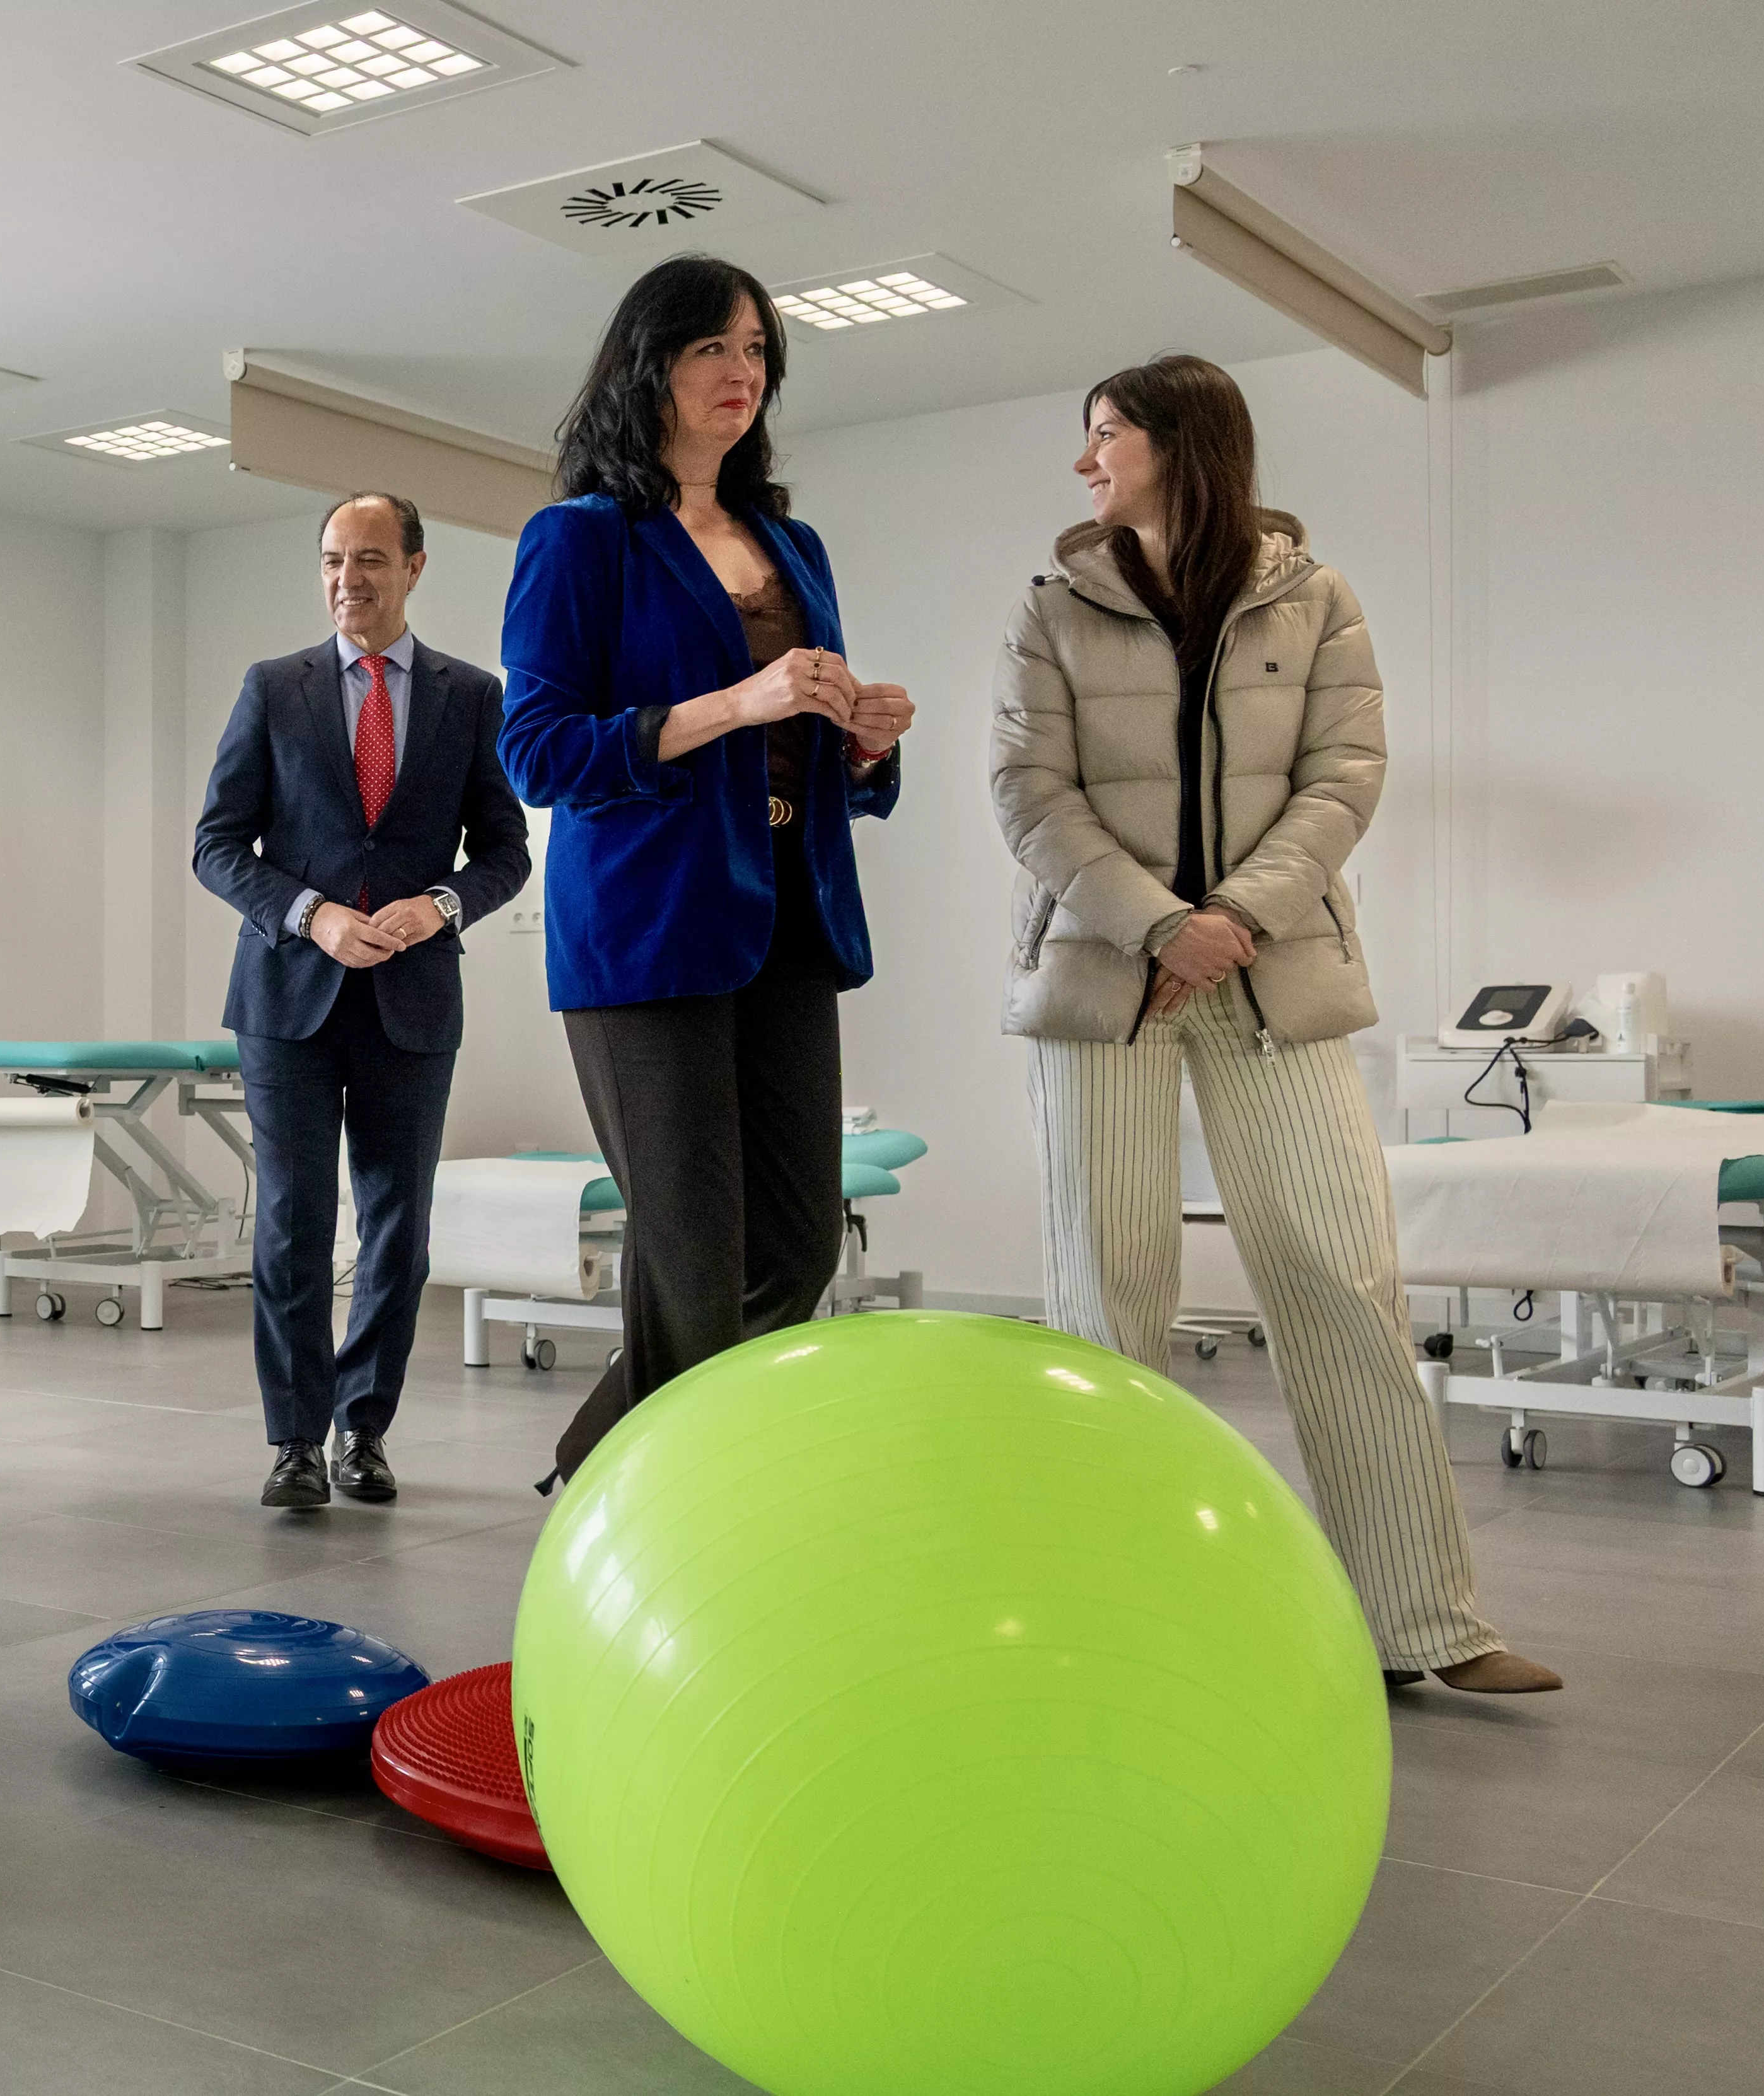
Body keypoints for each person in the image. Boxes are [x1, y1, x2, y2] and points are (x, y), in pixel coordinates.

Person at [992, 352, 1559, 1694]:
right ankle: (1104, 1615)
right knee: (1107, 1306)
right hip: (1100, 981)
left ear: (1184, 444)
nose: (1087, 462)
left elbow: (1344, 773)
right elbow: (1029, 792)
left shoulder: (1315, 598)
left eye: (1109, 434)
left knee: (1345, 1281)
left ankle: (1428, 1623)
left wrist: (1233, 919)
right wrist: (1156, 926)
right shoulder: (1049, 608)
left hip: (1273, 973)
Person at [499, 254, 915, 1488]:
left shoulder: (794, 543)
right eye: (710, 350)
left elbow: (812, 747)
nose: (741, 375)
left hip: (790, 913)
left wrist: (864, 739)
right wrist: (731, 703)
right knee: (688, 1252)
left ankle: (594, 1461)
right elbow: (539, 751)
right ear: (649, 367)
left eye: (755, 352)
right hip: (647, 928)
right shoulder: (582, 540)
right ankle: (678, 1510)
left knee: (790, 1249)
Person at [194, 493, 531, 1508]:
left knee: (398, 1227)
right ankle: (294, 1439)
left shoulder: (472, 696)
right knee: (293, 1221)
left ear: (415, 567)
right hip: (287, 999)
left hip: (412, 1000)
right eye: (335, 560)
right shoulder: (272, 688)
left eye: (372, 559)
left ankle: (364, 1428)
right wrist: (309, 914)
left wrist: (441, 905)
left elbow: (506, 852)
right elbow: (216, 845)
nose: (350, 579)